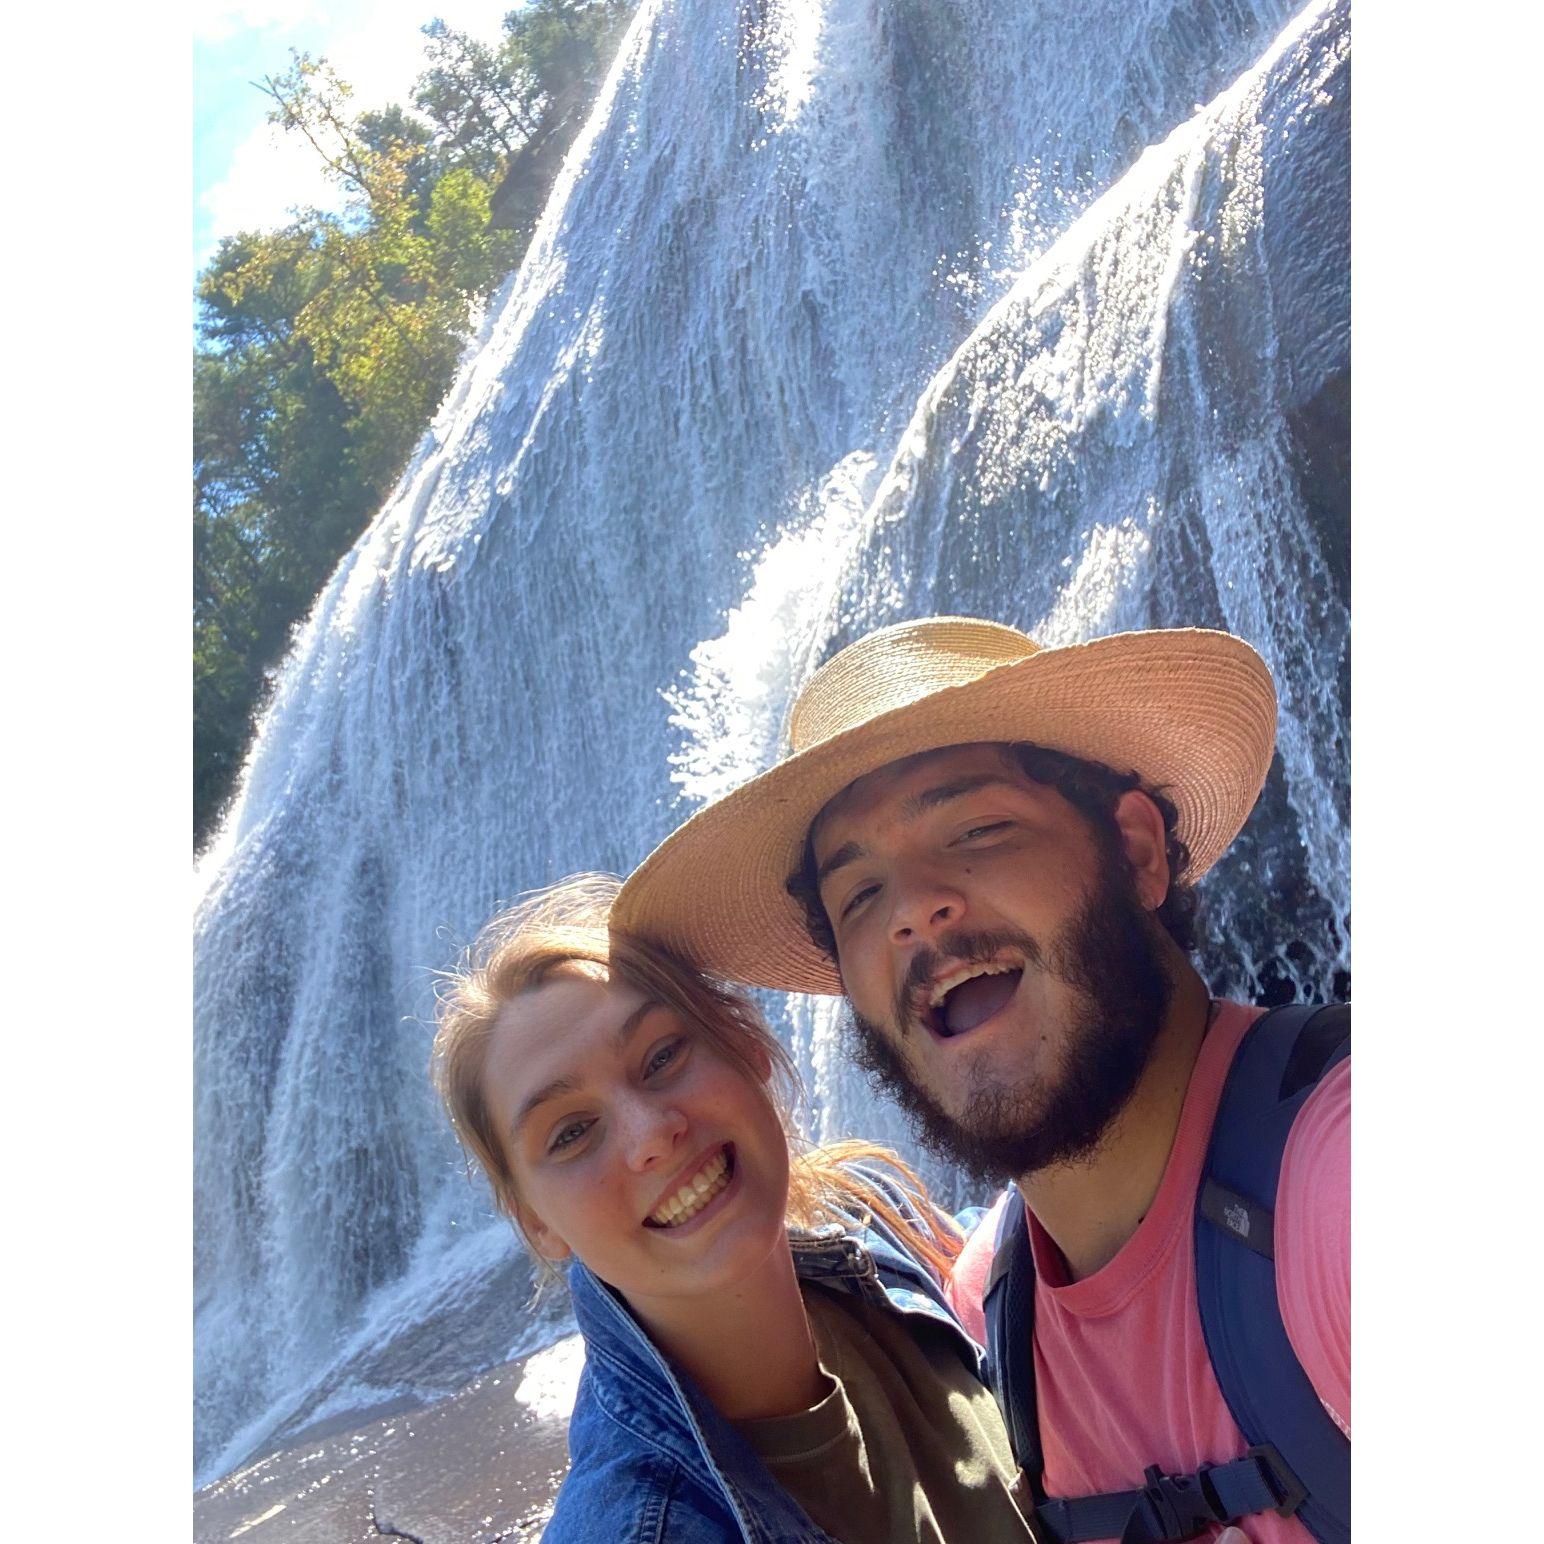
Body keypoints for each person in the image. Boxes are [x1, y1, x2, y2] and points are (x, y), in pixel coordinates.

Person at [612, 616, 1350, 1544]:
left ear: (1136, 850)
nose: (916, 910)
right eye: (860, 895)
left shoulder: (1343, 1192)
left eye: (977, 827)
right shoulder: (989, 1317)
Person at [431, 871, 1036, 1543]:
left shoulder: (876, 1216)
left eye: (661, 1057)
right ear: (536, 1222)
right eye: (572, 1132)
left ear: (744, 1040)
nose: (650, 1135)